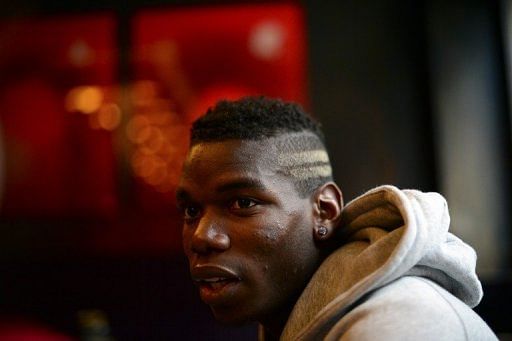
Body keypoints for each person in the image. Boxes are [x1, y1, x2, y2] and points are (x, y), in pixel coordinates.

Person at [176, 96, 497, 340]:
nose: (203, 236)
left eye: (242, 203)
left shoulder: (398, 325)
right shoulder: (293, 318)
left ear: (324, 212)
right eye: (191, 211)